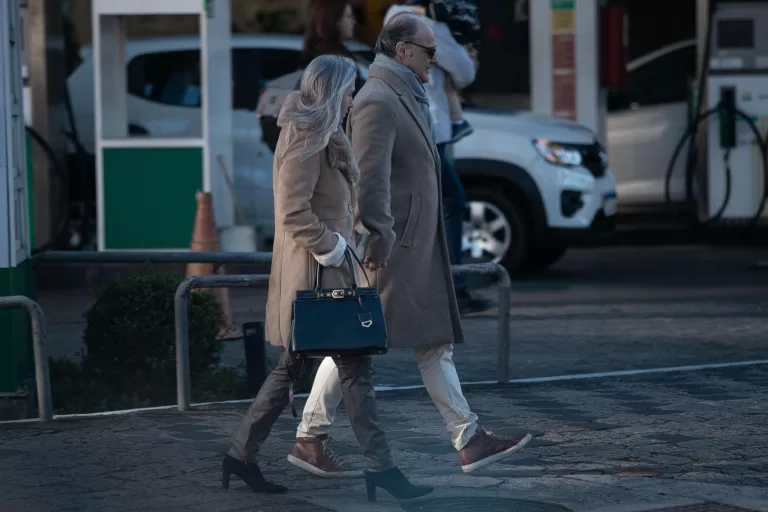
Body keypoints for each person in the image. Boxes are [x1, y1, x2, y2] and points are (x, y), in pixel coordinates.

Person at [285, 13, 532, 479]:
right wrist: (377, 234)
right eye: (428, 51)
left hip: (408, 243)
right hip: (393, 247)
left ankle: (467, 438)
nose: (434, 60)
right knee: (358, 341)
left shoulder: (401, 92)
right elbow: (369, 177)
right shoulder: (379, 98)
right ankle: (311, 436)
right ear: (402, 51)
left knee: (416, 342)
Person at [222, 54, 432, 503]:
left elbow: (332, 208)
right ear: (333, 91)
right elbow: (293, 212)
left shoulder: (326, 135)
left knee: (295, 370)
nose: (354, 98)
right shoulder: (306, 135)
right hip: (315, 275)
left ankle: (240, 457)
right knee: (355, 368)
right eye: (350, 90)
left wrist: (352, 247)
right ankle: (385, 470)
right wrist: (335, 247)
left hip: (332, 270)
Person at [385, 1, 491, 315]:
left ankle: (426, 288)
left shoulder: (395, 16)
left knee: (421, 208)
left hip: (414, 125)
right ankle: (452, 289)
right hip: (427, 130)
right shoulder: (428, 25)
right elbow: (465, 71)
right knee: (449, 204)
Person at [258, 0, 364, 153]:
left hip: (308, 152)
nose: (353, 21)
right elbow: (347, 113)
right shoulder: (340, 62)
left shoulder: (309, 56)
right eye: (348, 16)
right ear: (334, 21)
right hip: (332, 152)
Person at [407, 0, 481, 143]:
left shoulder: (445, 4)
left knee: (446, 84)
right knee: (449, 86)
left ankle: (458, 122)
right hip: (467, 47)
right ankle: (458, 121)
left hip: (458, 46)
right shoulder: (468, 5)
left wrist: (420, 11)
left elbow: (436, 12)